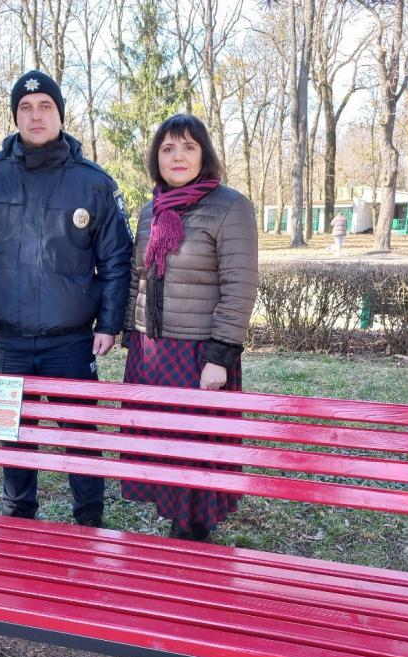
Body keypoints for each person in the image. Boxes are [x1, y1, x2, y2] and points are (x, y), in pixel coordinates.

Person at [0, 70, 133, 528]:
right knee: (14, 434)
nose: (35, 115)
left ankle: (89, 521)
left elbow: (116, 259)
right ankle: (18, 516)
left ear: (60, 115)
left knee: (80, 436)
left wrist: (108, 323)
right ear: (15, 116)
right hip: (6, 339)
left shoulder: (93, 183)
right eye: (25, 108)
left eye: (45, 106)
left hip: (70, 341)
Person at [121, 114, 258, 541]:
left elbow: (240, 286)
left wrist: (220, 355)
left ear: (205, 154)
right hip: (152, 350)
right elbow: (135, 277)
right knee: (163, 446)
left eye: (188, 147)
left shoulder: (231, 207)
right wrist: (131, 333)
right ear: (155, 158)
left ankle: (193, 538)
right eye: (167, 148)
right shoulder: (150, 210)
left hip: (199, 354)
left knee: (195, 453)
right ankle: (175, 527)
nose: (177, 156)